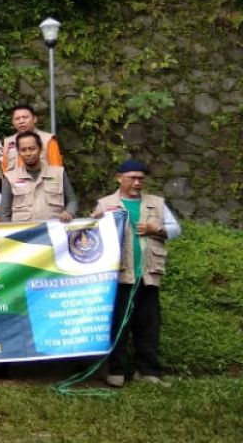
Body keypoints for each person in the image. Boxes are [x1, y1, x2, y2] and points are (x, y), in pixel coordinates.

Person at [94, 159, 182, 388]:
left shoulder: (156, 203)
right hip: (120, 276)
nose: (137, 182)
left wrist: (157, 229)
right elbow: (92, 235)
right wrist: (95, 220)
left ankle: (148, 371)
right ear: (118, 178)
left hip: (148, 274)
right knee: (118, 324)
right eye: (131, 178)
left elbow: (176, 229)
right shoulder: (105, 204)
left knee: (148, 324)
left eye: (141, 179)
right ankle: (116, 371)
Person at [0, 131, 77, 222]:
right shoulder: (10, 177)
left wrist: (69, 212)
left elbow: (72, 200)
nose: (28, 153)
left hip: (53, 231)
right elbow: (5, 212)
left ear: (40, 149)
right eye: (23, 150)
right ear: (18, 152)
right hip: (24, 233)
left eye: (32, 149)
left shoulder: (58, 173)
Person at [0, 103, 63, 173]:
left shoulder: (48, 140)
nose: (21, 121)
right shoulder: (8, 142)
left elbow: (57, 169)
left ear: (34, 119)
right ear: (13, 122)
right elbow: (4, 170)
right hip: (14, 183)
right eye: (17, 119)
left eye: (25, 117)